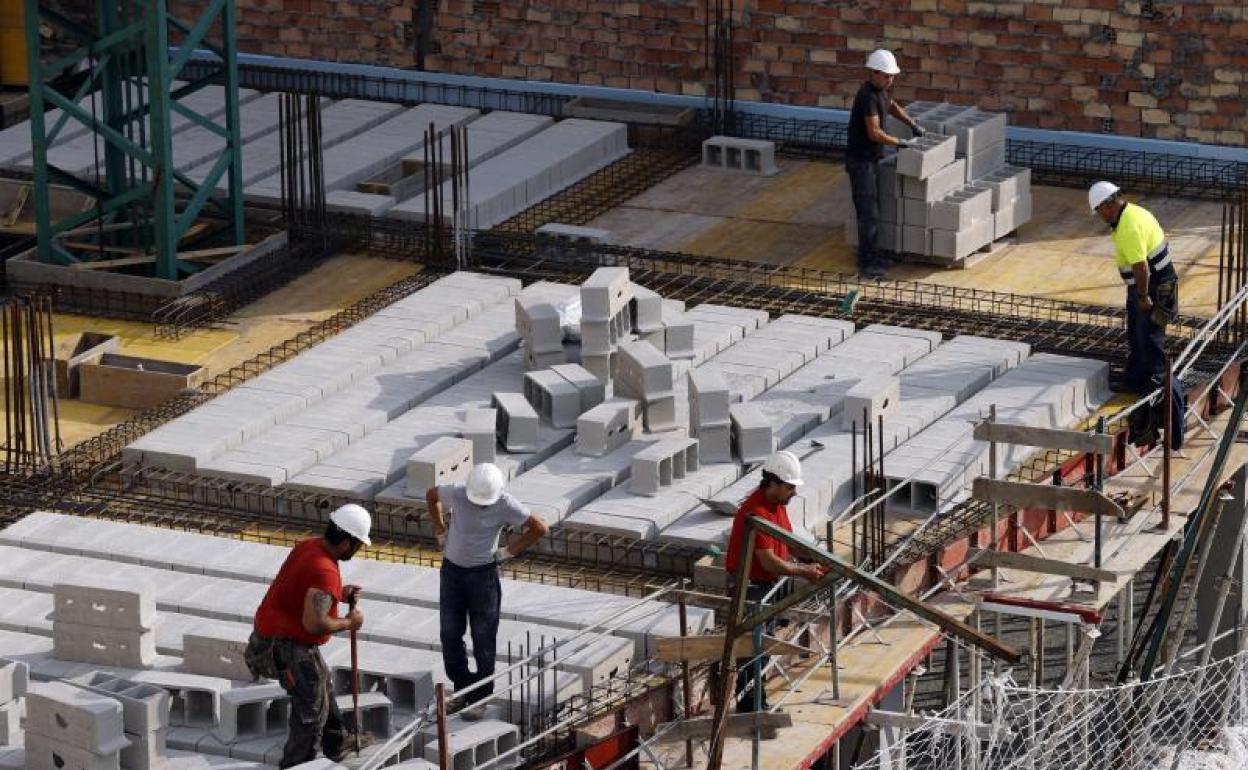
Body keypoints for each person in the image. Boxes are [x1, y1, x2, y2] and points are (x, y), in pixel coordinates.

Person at [245, 504, 373, 768]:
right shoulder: (324, 569)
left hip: (273, 634)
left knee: (321, 682)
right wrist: (350, 622)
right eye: (358, 545)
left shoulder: (310, 547)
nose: (356, 550)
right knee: (311, 711)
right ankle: (296, 764)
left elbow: (304, 592)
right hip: (283, 647)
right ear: (347, 542)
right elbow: (315, 624)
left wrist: (339, 593)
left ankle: (337, 741)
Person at [426, 462, 549, 718]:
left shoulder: (505, 503)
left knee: (483, 639)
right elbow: (431, 495)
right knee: (450, 634)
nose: (481, 505)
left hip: (483, 577)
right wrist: (440, 529)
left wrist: (510, 551)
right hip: (452, 572)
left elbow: (539, 527)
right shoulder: (458, 492)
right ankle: (462, 689)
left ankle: (480, 696)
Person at [723, 451, 827, 712]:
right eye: (790, 487)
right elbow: (769, 561)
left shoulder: (776, 507)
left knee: (763, 645)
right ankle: (751, 707)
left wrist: (813, 557)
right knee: (754, 648)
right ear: (774, 483)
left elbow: (787, 543)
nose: (794, 493)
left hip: (767, 585)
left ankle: (757, 701)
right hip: (751, 588)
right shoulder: (755, 513)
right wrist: (804, 571)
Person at [1088, 181, 1179, 393]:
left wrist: (1144, 296)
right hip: (1151, 285)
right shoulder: (1134, 213)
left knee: (1149, 336)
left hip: (1152, 287)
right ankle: (1135, 381)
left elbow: (1141, 266)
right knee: (1137, 335)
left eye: (1099, 211)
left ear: (1108, 205)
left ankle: (1157, 385)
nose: (1100, 217)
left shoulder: (1129, 225)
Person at [846, 48, 926, 280]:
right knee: (867, 212)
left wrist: (912, 123)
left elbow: (892, 106)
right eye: (886, 76)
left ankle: (875, 254)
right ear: (874, 73)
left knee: (874, 209)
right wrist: (900, 142)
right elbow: (874, 132)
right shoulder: (867, 96)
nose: (891, 79)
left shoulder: (882, 92)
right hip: (861, 162)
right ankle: (866, 263)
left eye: (893, 76)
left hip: (871, 160)